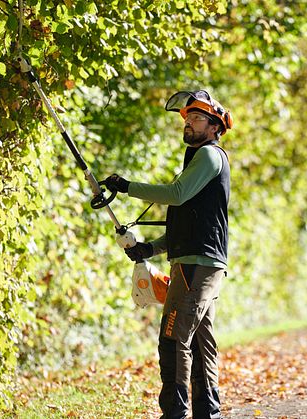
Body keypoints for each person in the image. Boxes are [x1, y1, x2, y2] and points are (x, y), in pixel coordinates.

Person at [102, 90, 232, 419]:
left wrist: (127, 186)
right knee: (201, 345)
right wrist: (150, 249)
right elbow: (186, 223)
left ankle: (175, 413)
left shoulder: (210, 156)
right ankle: (208, 414)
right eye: (187, 118)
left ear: (215, 127)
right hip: (197, 263)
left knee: (173, 339)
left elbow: (176, 195)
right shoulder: (198, 161)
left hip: (197, 265)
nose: (189, 123)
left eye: (198, 119)